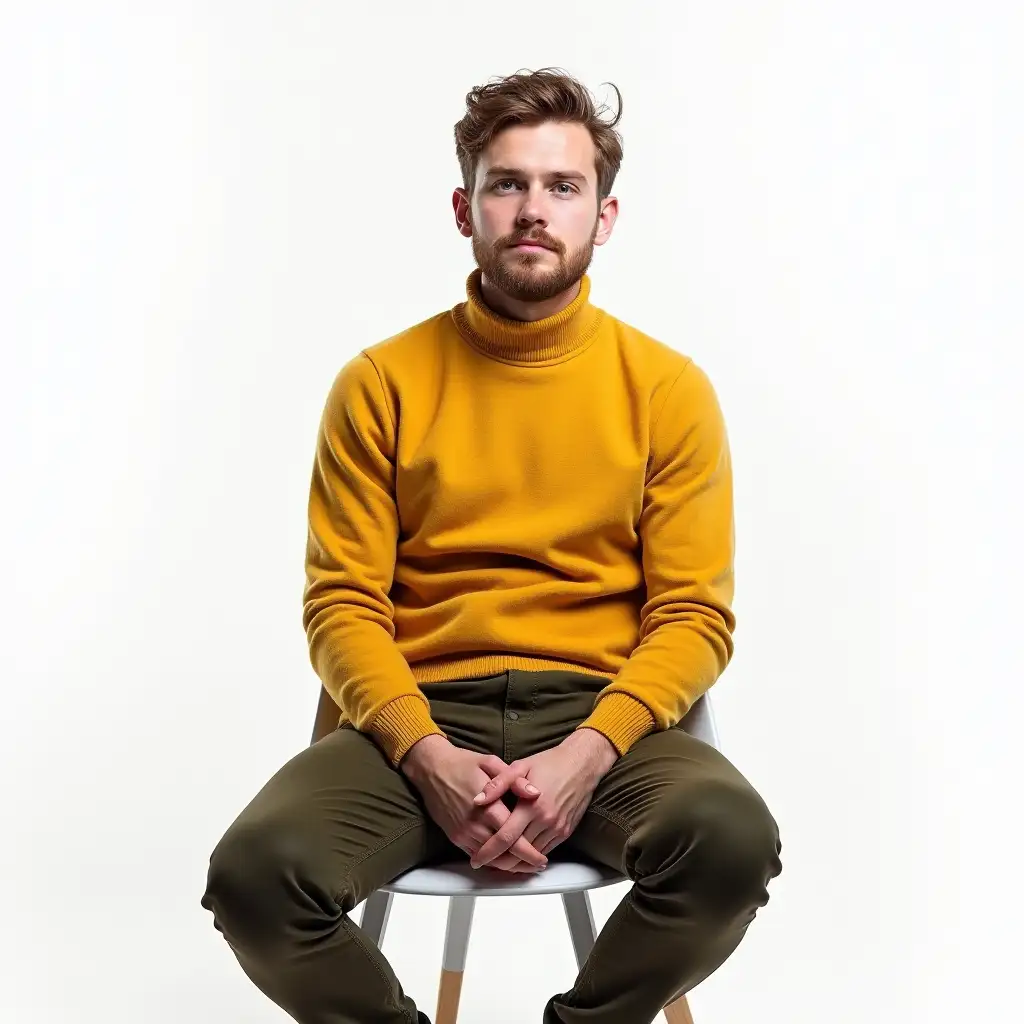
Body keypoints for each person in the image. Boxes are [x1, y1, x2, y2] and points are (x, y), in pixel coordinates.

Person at [201, 66, 782, 1024]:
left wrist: (588, 754)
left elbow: (693, 618)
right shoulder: (380, 381)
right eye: (509, 184)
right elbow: (341, 605)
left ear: (606, 215)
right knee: (256, 877)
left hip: (600, 712)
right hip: (415, 716)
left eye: (564, 186)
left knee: (728, 841)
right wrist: (424, 752)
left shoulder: (667, 389)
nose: (533, 211)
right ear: (466, 207)